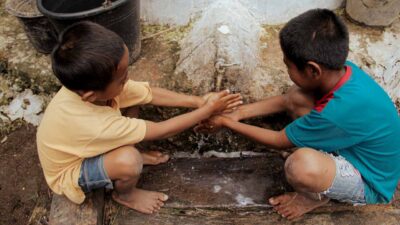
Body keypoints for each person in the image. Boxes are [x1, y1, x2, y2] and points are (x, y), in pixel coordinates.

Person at [197, 9, 400, 220]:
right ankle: (325, 171)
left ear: (313, 70)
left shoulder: (334, 113)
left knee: (300, 166)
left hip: (372, 180)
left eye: (288, 66)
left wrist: (226, 123)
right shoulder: (345, 71)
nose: (287, 71)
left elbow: (278, 140)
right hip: (363, 149)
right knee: (298, 95)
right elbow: (288, 101)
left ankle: (314, 197)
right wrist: (237, 114)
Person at [36, 21, 242, 214]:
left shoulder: (86, 90)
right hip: (71, 170)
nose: (127, 80)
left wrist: (199, 102)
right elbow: (163, 130)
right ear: (91, 95)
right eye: (121, 78)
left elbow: (148, 93)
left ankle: (120, 156)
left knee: (134, 98)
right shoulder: (93, 124)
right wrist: (206, 112)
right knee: (129, 160)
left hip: (85, 144)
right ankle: (125, 194)